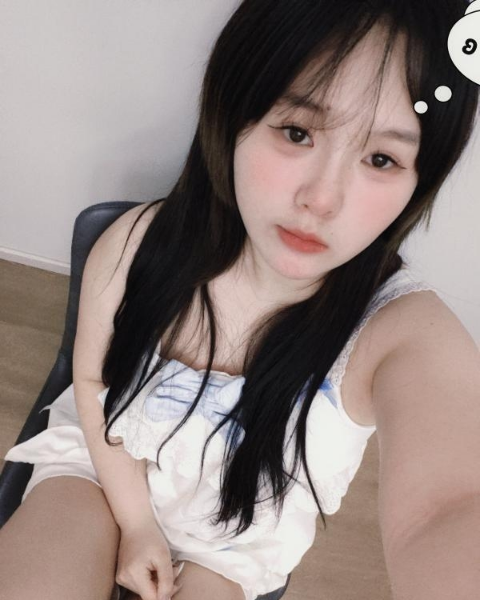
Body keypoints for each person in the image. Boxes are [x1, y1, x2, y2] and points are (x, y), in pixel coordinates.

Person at [1, 1, 479, 599]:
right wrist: (137, 524)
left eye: (381, 158)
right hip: (100, 465)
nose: (323, 199)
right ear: (233, 115)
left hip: (233, 544)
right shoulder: (136, 245)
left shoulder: (398, 331)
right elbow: (93, 383)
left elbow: (448, 507)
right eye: (297, 132)